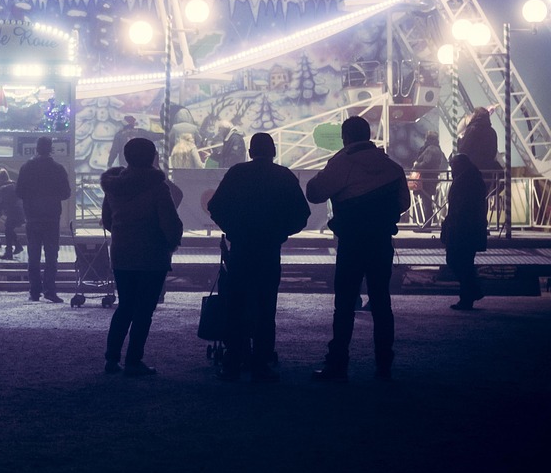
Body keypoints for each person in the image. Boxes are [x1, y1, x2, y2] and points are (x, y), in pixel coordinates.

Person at [306, 115, 410, 382]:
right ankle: (384, 364)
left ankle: (338, 363)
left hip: (351, 243)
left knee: (344, 304)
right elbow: (403, 203)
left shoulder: (342, 163)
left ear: (346, 137)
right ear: (369, 134)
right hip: (380, 242)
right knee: (381, 303)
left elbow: (314, 192)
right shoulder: (392, 167)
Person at [206, 133, 311, 382]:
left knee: (236, 306)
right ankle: (261, 364)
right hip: (269, 249)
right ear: (273, 151)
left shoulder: (237, 173)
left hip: (241, 248)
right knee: (266, 308)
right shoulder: (283, 175)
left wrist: (233, 230)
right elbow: (301, 214)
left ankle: (232, 362)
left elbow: (215, 207)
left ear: (250, 152)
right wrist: (280, 233)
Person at [100, 138, 182, 375]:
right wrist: (172, 242)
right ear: (152, 156)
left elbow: (107, 220)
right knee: (144, 310)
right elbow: (169, 222)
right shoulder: (158, 187)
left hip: (122, 253)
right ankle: (134, 361)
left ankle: (111, 358)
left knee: (125, 305)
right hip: (151, 254)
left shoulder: (114, 186)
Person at [16, 136, 72, 303]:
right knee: (51, 255)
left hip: (32, 216)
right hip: (51, 217)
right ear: (51, 149)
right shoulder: (58, 169)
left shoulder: (27, 167)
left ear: (36, 148)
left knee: (33, 254)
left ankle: (34, 291)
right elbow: (66, 193)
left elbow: (19, 192)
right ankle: (50, 290)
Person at [442, 153, 488, 310]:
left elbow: (459, 207)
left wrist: (450, 223)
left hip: (462, 228)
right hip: (470, 228)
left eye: (452, 165)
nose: (451, 168)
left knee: (456, 260)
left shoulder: (464, 181)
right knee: (465, 262)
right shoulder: (473, 178)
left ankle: (472, 291)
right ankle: (468, 296)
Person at [410, 131, 448, 230]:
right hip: (432, 178)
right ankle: (427, 225)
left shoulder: (430, 149)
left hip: (426, 179)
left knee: (426, 202)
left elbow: (426, 164)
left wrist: (416, 165)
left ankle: (426, 226)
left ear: (427, 138)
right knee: (428, 201)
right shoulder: (437, 149)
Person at [0, 169, 24, 262]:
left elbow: (2, 204)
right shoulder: (12, 185)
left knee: (8, 229)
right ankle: (17, 246)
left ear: (0, 179)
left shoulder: (4, 189)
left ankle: (9, 252)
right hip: (19, 212)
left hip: (14, 212)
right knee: (9, 229)